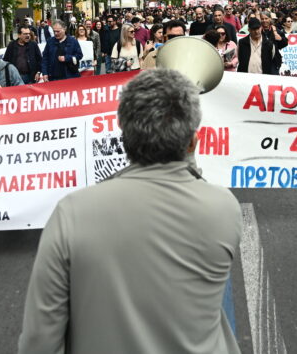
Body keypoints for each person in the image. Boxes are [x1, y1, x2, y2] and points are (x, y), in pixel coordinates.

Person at [18, 69, 242, 354]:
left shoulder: (73, 211)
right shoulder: (223, 207)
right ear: (193, 142)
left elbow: (39, 340)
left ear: (124, 134)